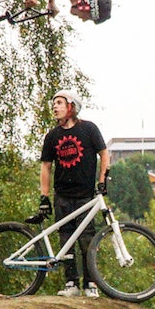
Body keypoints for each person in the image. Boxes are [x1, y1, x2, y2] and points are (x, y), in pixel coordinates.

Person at [36, 89, 109, 298]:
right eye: (54, 104)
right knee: (65, 239)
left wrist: (102, 181)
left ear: (71, 106)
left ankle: (90, 283)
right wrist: (44, 197)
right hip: (62, 196)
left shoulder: (89, 129)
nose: (55, 107)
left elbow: (104, 154)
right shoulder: (52, 136)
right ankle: (71, 283)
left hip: (85, 196)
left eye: (59, 103)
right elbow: (46, 167)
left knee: (87, 240)